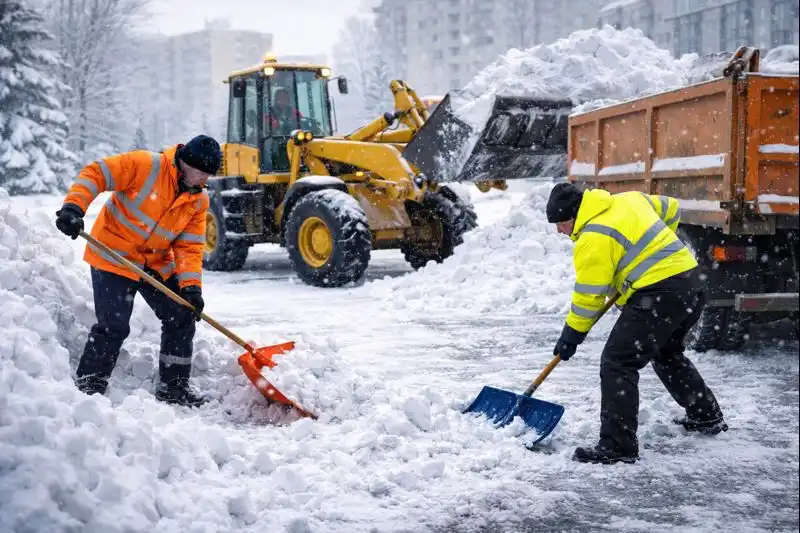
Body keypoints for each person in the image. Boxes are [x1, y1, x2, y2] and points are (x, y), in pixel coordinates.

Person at [546, 182, 727, 465]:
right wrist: (652, 251)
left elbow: (588, 298)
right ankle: (706, 416)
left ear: (574, 214)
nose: (559, 230)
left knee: (618, 361)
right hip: (691, 284)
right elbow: (672, 208)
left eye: (561, 223)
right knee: (667, 352)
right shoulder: (629, 199)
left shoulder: (593, 238)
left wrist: (571, 336)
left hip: (659, 295)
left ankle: (617, 446)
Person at [54, 135, 222, 407]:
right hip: (113, 255)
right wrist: (74, 207)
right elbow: (97, 173)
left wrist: (191, 287)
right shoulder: (146, 165)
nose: (204, 180)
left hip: (153, 262)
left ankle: (173, 387)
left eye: (208, 176)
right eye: (202, 173)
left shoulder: (198, 199)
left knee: (182, 314)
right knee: (114, 325)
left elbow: (189, 247)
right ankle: (89, 387)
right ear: (185, 163)